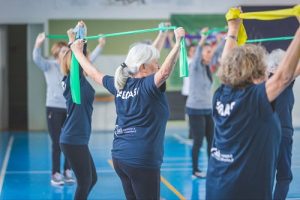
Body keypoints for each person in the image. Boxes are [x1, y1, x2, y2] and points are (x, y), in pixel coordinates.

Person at [69, 21, 185, 199]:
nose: (159, 66)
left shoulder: (119, 84)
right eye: (156, 63)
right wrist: (177, 44)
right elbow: (165, 72)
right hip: (142, 159)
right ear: (143, 68)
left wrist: (77, 51)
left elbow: (92, 72)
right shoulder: (148, 85)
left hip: (120, 158)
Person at [205, 9, 300, 199]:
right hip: (243, 192)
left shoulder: (221, 93)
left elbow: (225, 66)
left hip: (216, 187)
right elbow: (284, 77)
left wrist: (233, 29)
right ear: (257, 73)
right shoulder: (253, 99)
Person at [32, 32, 105, 186]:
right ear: (57, 54)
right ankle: (56, 173)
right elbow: (36, 59)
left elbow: (88, 60)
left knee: (68, 142)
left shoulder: (73, 68)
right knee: (57, 142)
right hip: (53, 108)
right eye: (64, 51)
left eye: (67, 50)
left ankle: (67, 170)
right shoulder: (50, 66)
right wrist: (38, 44)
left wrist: (100, 45)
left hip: (68, 108)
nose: (67, 52)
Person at [59, 22, 98, 200]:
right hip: (73, 138)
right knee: (85, 181)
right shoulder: (71, 82)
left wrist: (83, 35)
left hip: (78, 138)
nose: (86, 59)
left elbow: (80, 58)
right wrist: (73, 41)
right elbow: (77, 60)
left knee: (92, 179)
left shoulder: (78, 80)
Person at [268, 49, 300, 200]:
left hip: (265, 134)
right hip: (282, 134)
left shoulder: (261, 82)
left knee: (265, 175)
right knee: (284, 176)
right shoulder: (284, 81)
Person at [186, 27, 214, 179]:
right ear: (201, 53)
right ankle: (195, 170)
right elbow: (197, 54)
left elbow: (217, 53)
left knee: (212, 141)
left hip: (207, 109)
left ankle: (212, 168)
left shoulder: (207, 67)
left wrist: (229, 36)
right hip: (195, 109)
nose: (211, 54)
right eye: (208, 52)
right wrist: (203, 38)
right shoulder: (195, 66)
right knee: (198, 142)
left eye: (210, 52)